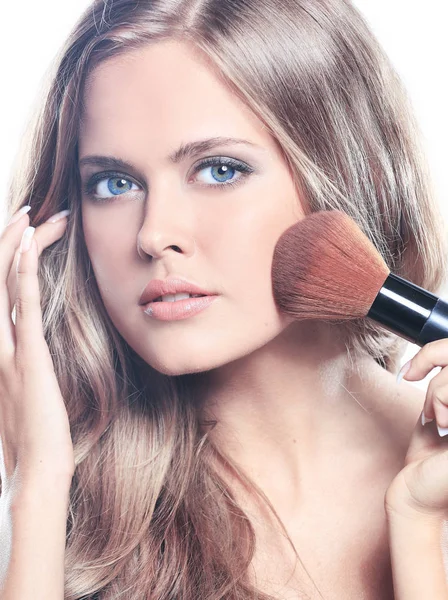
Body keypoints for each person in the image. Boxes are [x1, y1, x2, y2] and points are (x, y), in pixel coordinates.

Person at [1, 0, 448, 598]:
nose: (154, 234)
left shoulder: (433, 474)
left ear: (344, 170)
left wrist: (420, 534)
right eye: (114, 184)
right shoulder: (67, 508)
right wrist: (37, 488)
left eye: (218, 170)